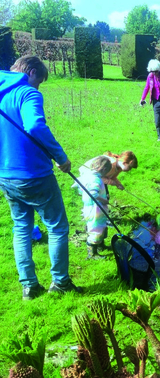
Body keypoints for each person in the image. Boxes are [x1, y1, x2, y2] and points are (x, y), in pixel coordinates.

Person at [0, 55, 82, 299]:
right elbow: (34, 126)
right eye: (40, 81)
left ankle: (29, 286)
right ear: (32, 72)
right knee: (57, 227)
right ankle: (60, 282)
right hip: (34, 174)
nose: (38, 87)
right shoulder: (28, 93)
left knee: (21, 227)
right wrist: (61, 157)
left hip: (6, 175)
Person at [76, 156, 112, 260]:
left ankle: (101, 246)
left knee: (101, 227)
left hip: (93, 208)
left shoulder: (88, 175)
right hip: (95, 210)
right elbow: (93, 194)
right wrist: (104, 200)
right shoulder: (95, 179)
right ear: (104, 170)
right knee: (96, 230)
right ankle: (92, 254)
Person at [140, 59, 160, 144]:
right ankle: (159, 136)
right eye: (152, 71)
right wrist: (142, 98)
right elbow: (146, 87)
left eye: (156, 71)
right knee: (157, 120)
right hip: (155, 100)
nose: (154, 73)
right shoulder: (150, 76)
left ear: (159, 69)